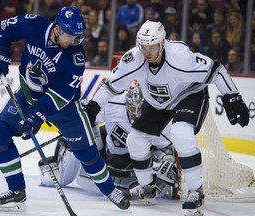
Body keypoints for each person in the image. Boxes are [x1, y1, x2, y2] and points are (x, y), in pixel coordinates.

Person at [85, 20, 249, 216]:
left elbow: (216, 69)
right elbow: (110, 86)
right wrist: (93, 107)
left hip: (189, 95)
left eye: (152, 46)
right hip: (158, 102)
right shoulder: (134, 59)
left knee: (181, 134)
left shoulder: (181, 57)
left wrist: (233, 97)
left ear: (162, 43)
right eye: (143, 46)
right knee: (135, 140)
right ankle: (147, 189)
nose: (147, 51)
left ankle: (196, 192)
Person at [0, 6, 129, 212]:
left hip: (65, 107)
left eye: (79, 37)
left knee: (87, 153)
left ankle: (110, 191)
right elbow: (1, 30)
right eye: (70, 36)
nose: (74, 42)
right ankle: (17, 191)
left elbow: (60, 95)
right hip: (27, 97)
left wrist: (36, 117)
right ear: (57, 28)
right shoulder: (33, 24)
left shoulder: (76, 56)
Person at [38, 84, 178, 205]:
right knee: (81, 139)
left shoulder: (159, 119)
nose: (135, 113)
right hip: (111, 152)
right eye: (132, 108)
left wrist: (165, 162)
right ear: (126, 102)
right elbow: (88, 119)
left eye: (139, 110)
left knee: (137, 184)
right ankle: (61, 166)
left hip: (134, 163)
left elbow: (168, 150)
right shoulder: (113, 102)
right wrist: (73, 127)